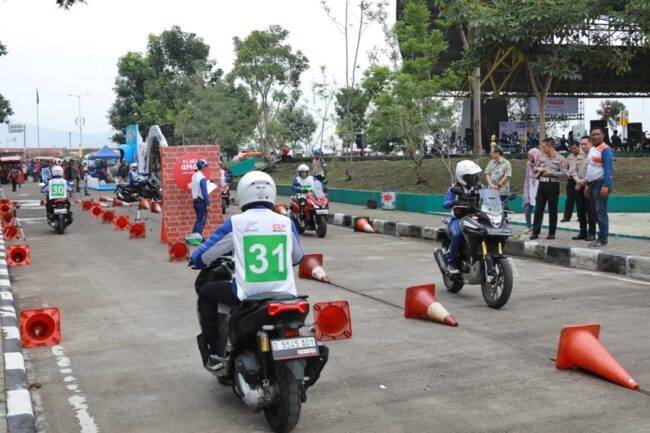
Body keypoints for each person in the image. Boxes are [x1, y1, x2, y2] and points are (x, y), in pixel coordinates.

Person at [189, 171, 304, 370]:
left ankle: (214, 349)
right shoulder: (286, 222)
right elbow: (297, 257)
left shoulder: (236, 222)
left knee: (207, 292)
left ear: (242, 193)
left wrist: (195, 259)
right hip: (285, 295)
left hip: (246, 294)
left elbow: (205, 254)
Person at [442, 160, 483, 274]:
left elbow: (489, 197)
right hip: (458, 219)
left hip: (475, 218)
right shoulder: (454, 187)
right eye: (471, 176)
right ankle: (451, 263)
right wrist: (452, 203)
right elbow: (445, 202)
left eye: (475, 175)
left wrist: (499, 203)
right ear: (462, 177)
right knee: (458, 235)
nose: (474, 178)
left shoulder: (480, 187)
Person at [530, 138, 565, 240]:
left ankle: (551, 233)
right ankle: (535, 232)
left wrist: (551, 173)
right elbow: (535, 167)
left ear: (550, 146)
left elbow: (565, 173)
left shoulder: (560, 158)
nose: (543, 148)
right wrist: (538, 170)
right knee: (538, 209)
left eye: (544, 146)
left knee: (552, 209)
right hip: (542, 184)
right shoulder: (541, 157)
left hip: (553, 185)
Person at [585, 127, 614, 247]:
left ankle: (603, 239)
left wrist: (605, 186)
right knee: (595, 212)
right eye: (593, 134)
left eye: (598, 134)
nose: (595, 136)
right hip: (591, 184)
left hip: (600, 183)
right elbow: (589, 168)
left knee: (600, 212)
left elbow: (608, 169)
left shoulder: (605, 149)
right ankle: (599, 237)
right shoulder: (592, 149)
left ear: (603, 135)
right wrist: (587, 185)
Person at [572, 135, 597, 241]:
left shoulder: (594, 155)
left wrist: (584, 182)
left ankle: (591, 233)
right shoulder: (579, 156)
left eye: (585, 144)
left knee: (590, 210)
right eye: (581, 144)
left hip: (589, 185)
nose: (583, 146)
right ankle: (582, 232)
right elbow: (573, 170)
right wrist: (577, 180)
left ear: (591, 144)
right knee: (580, 210)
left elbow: (593, 171)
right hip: (579, 185)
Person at [523, 148, 542, 233]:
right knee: (527, 207)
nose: (529, 157)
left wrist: (536, 174)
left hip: (539, 186)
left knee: (538, 209)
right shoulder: (528, 164)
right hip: (530, 186)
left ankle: (536, 227)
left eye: (530, 155)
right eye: (529, 155)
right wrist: (526, 188)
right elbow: (527, 176)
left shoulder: (541, 163)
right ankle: (528, 226)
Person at [190, 159, 210, 240]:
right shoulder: (202, 177)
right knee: (200, 221)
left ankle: (194, 237)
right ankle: (197, 239)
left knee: (198, 220)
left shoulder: (194, 175)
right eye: (205, 166)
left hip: (195, 201)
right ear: (202, 167)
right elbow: (204, 192)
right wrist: (208, 204)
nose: (206, 167)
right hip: (201, 202)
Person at [561, 142, 581, 222]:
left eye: (575, 148)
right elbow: (565, 168)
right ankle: (566, 217)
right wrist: (567, 173)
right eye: (571, 148)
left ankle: (580, 216)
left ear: (579, 147)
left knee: (579, 199)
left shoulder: (583, 156)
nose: (573, 150)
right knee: (569, 199)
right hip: (571, 180)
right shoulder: (569, 157)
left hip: (580, 179)